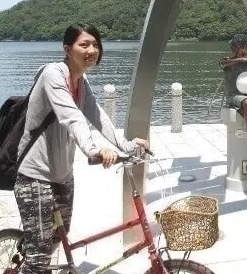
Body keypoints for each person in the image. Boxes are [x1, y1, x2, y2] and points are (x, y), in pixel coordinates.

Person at [14, 22, 149, 273]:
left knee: (57, 239)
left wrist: (127, 145)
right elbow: (72, 117)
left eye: (95, 44)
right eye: (84, 44)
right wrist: (94, 150)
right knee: (38, 259)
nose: (92, 50)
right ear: (67, 49)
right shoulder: (52, 75)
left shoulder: (80, 80)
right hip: (35, 176)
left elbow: (97, 115)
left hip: (62, 175)